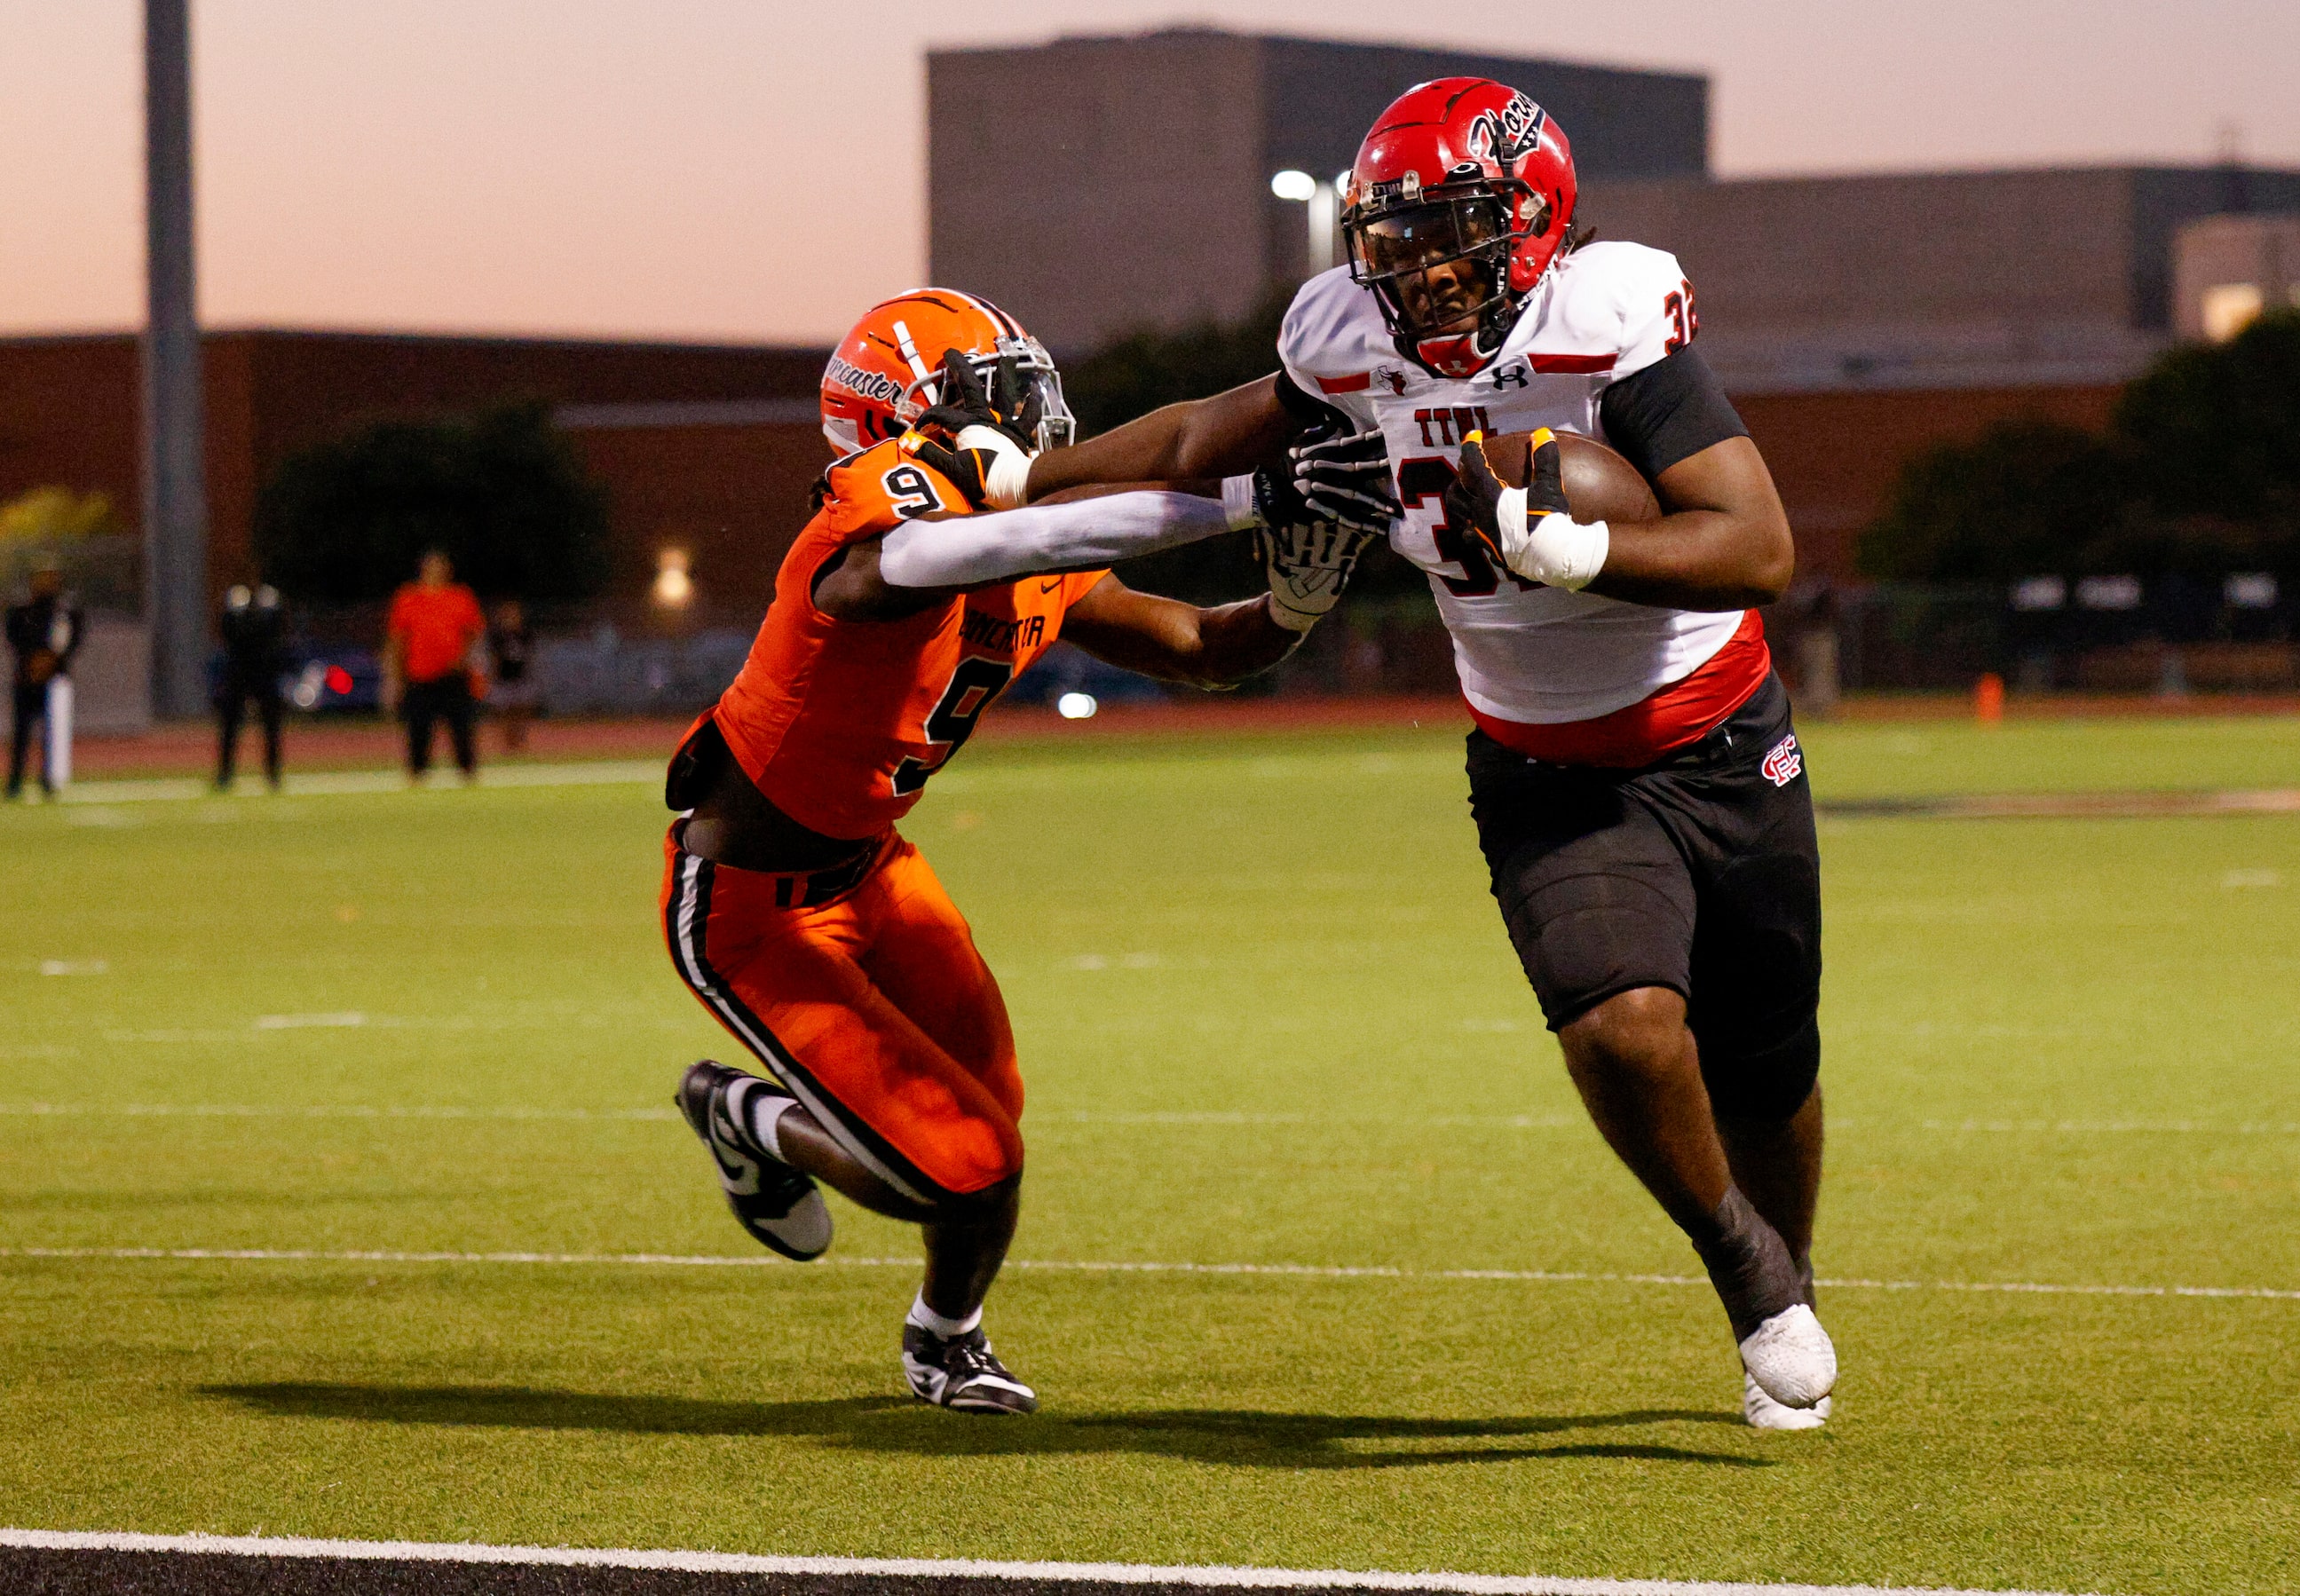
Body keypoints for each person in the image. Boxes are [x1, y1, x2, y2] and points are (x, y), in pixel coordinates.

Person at [1008, 81, 1838, 1429]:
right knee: (1622, 1033)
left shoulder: (1606, 316)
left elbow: (1759, 547)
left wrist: (1580, 547)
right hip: (1543, 761)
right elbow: (1189, 438)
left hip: (1718, 734)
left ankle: (1794, 1269)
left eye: (1446, 232)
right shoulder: (1346, 343)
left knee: (1767, 1059)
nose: (1412, 268)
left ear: (1530, 220)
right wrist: (1024, 480)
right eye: (1388, 238)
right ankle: (1749, 1277)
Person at [664, 288, 1365, 1415]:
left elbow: (1194, 645)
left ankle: (944, 1337)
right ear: (906, 420)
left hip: (870, 864)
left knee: (993, 1101)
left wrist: (1296, 600)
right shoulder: (874, 512)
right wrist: (1245, 501)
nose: (1033, 416)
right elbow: (946, 556)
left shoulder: (1028, 540)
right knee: (962, 1168)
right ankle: (745, 1116)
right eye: (996, 393)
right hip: (748, 905)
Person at [383, 549, 486, 783]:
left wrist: (466, 660)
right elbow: (397, 639)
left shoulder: (460, 596)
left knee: (461, 727)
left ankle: (467, 772)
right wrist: (394, 677)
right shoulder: (408, 597)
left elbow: (475, 634)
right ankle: (417, 773)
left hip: (454, 674)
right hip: (419, 675)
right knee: (418, 728)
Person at [5, 559, 83, 802]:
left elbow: (69, 641)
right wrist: (33, 661)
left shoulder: (64, 611)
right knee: (21, 734)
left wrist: (49, 662)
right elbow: (14, 638)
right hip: (25, 678)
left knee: (54, 733)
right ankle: (15, 782)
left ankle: (49, 780)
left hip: (54, 681)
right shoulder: (21, 611)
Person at [214, 582, 291, 790]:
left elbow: (277, 636)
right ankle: (225, 774)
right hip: (241, 672)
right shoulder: (239, 607)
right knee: (231, 725)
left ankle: (272, 774)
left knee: (270, 725)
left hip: (262, 672)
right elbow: (229, 634)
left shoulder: (268, 604)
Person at [485, 599, 539, 755]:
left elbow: (530, 655)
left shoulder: (525, 633)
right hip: (503, 678)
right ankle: (507, 743)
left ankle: (519, 741)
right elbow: (494, 657)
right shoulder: (497, 635)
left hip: (521, 678)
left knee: (522, 711)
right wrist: (492, 677)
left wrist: (531, 674)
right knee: (504, 713)